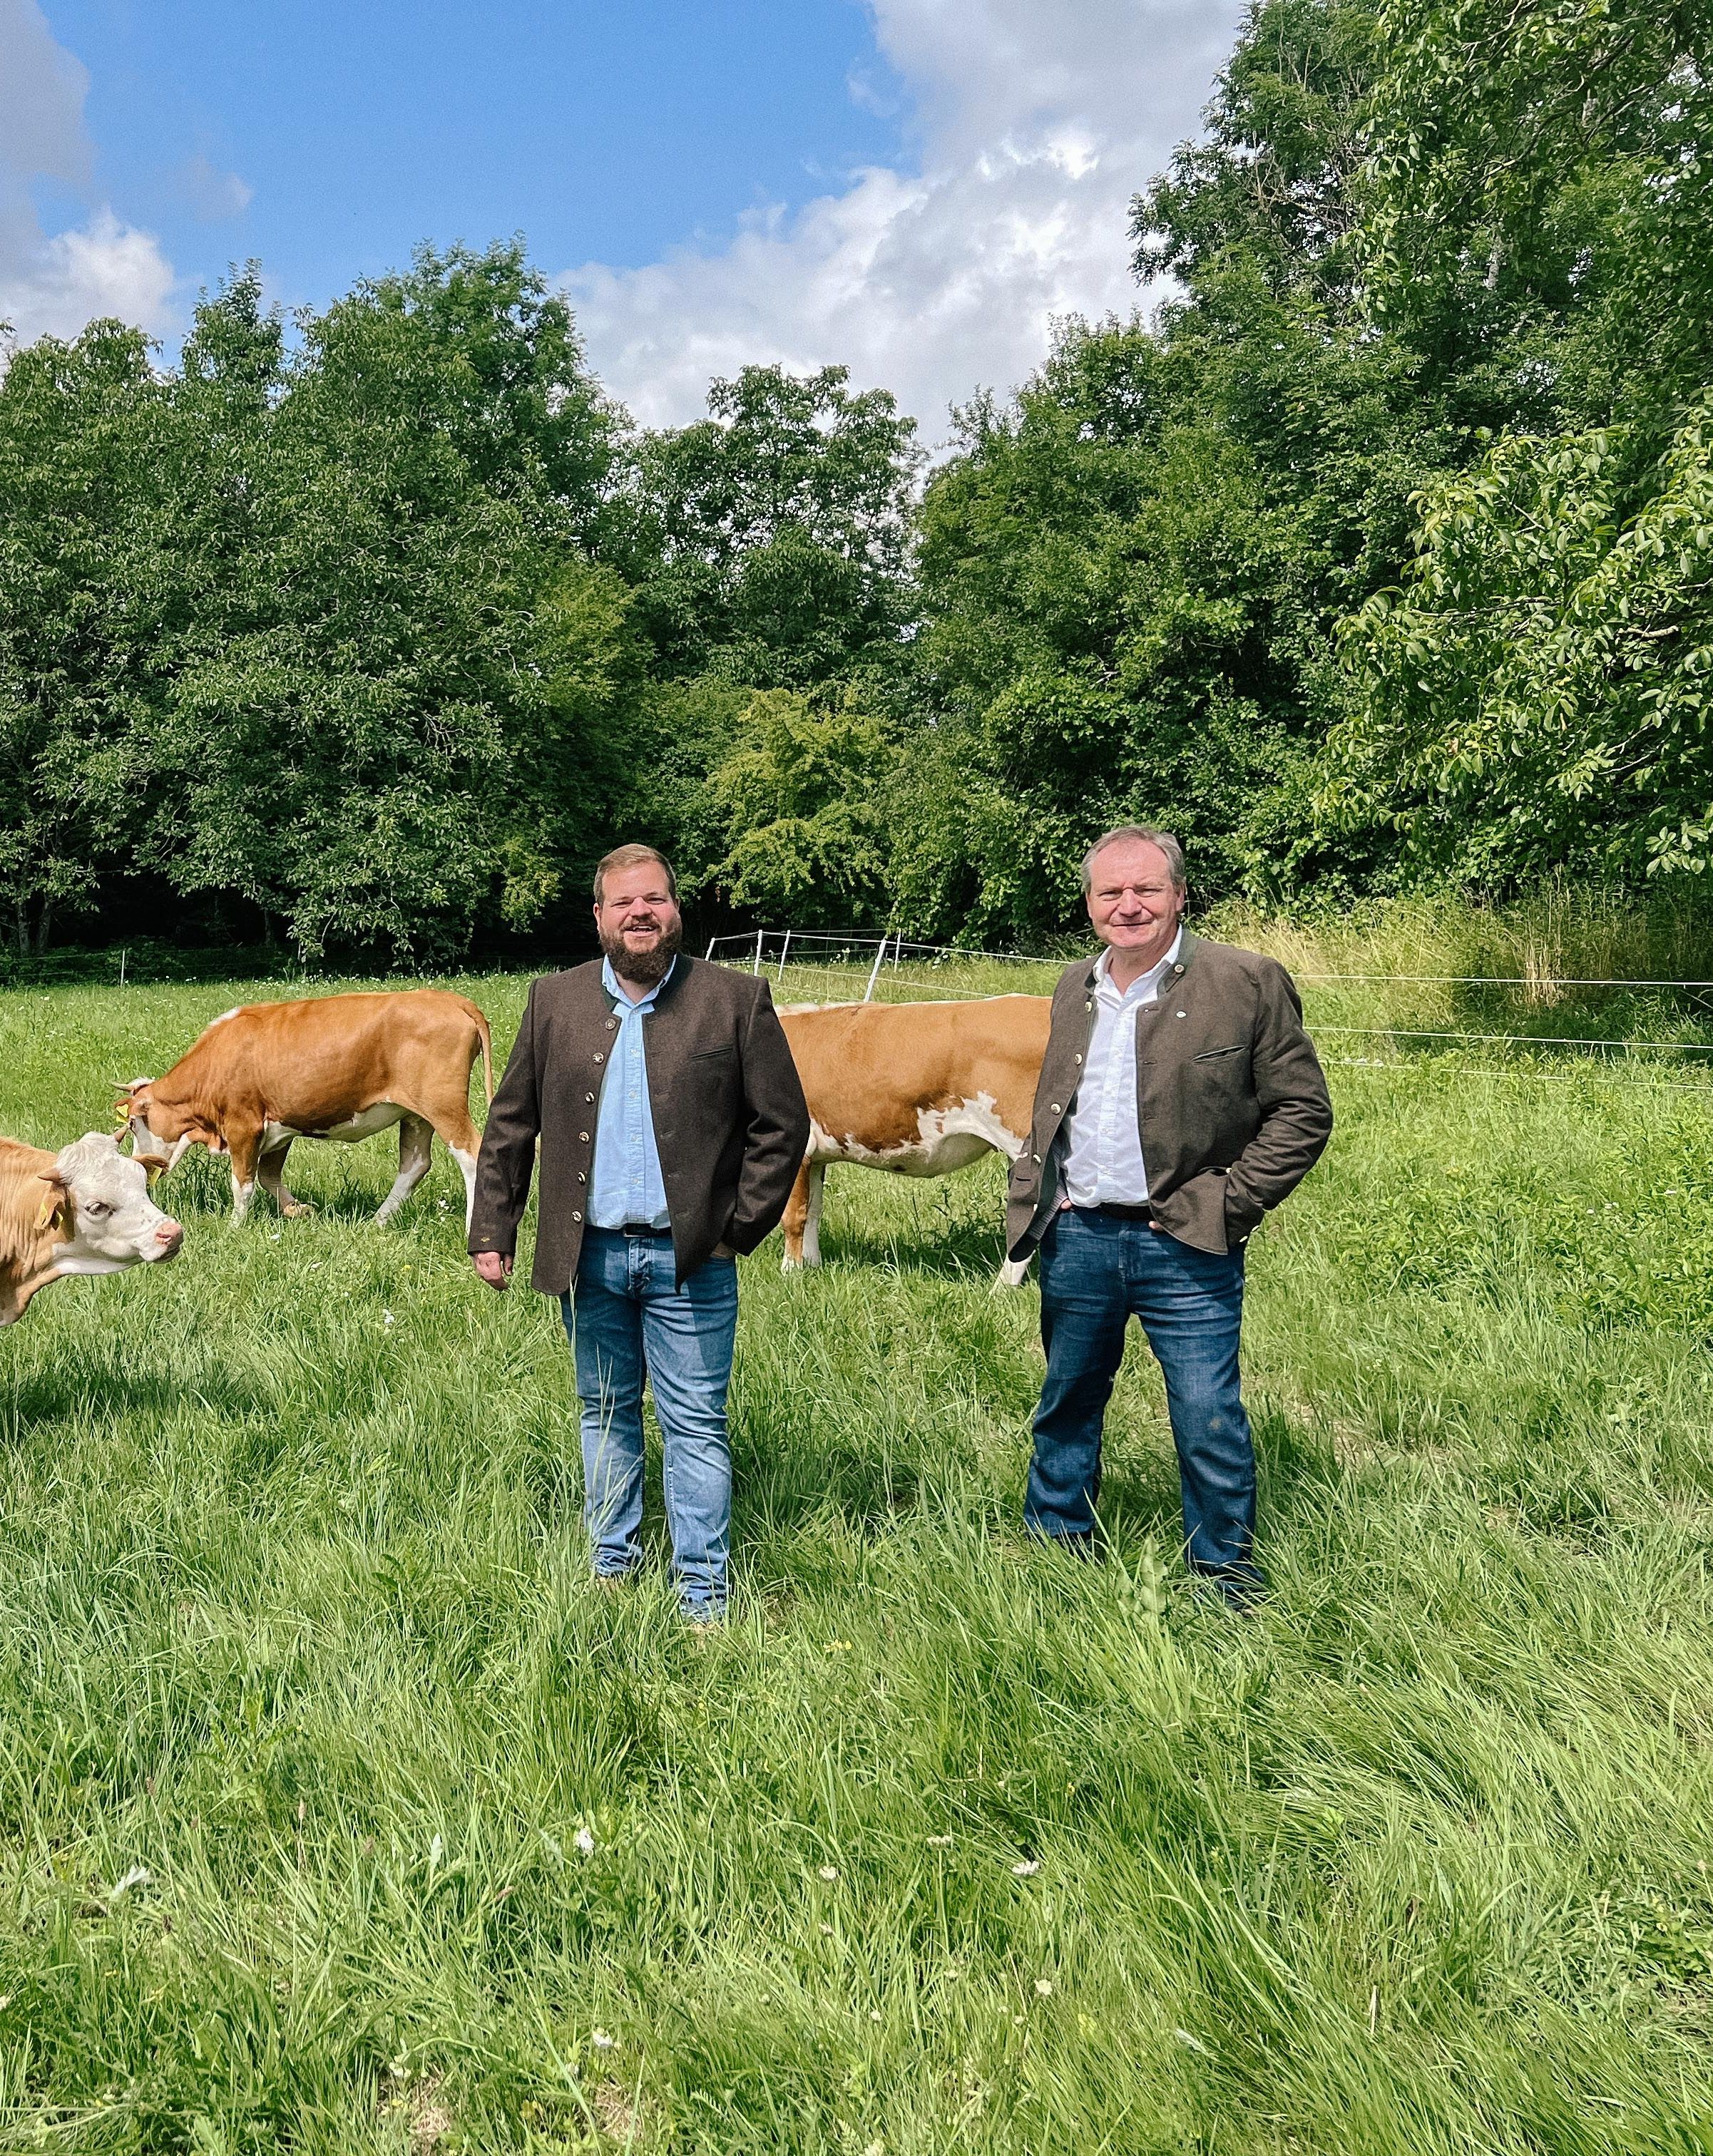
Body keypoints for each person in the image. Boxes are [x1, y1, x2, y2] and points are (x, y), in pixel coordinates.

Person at [469, 843, 809, 1623]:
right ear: (599, 918)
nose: (639, 914)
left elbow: (781, 1126)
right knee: (605, 1412)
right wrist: (495, 1227)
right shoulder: (552, 1000)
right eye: (622, 903)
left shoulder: (733, 999)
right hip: (587, 1255)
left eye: (653, 899)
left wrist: (737, 1228)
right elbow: (510, 1123)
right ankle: (612, 1567)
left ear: (675, 910)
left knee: (694, 1422)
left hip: (690, 1259)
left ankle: (702, 1595)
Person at [1005, 825, 1333, 1603]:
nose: (1128, 906)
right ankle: (1058, 1547)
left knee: (1205, 1413)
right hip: (1078, 1232)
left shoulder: (1245, 981)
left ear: (1180, 895)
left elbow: (1301, 1112)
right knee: (1067, 1401)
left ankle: (1222, 1574)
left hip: (1184, 1241)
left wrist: (1229, 1202)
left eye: (1145, 889)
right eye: (1109, 892)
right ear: (1088, 904)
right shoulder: (1072, 986)